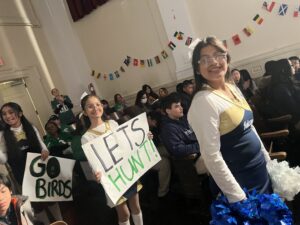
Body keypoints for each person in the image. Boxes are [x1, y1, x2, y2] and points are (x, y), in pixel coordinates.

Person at [188, 36, 272, 204]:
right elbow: (211, 156)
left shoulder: (232, 87)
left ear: (227, 58)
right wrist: (237, 197)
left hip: (260, 171)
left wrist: (268, 163)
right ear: (197, 69)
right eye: (205, 59)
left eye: (219, 55)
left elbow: (250, 128)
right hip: (240, 183)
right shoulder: (203, 101)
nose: (214, 62)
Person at [80, 94, 143, 225]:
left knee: (136, 206)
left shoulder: (112, 124)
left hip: (127, 170)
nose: (95, 108)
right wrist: (96, 174)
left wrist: (143, 137)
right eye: (90, 106)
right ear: (85, 112)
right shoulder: (86, 137)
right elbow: (94, 162)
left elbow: (126, 143)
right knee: (124, 213)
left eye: (97, 104)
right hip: (112, 178)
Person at [160, 92, 200, 158]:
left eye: (180, 105)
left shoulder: (184, 119)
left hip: (202, 150)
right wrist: (200, 145)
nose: (181, 108)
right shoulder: (168, 129)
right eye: (177, 106)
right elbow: (178, 149)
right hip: (191, 160)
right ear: (168, 111)